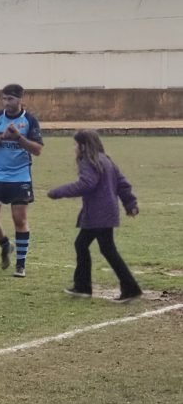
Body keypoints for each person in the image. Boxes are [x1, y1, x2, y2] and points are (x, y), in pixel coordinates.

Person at [48, 130, 141, 303]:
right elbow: (123, 184)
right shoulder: (106, 160)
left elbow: (86, 184)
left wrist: (58, 192)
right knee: (84, 245)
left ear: (83, 146)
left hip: (98, 214)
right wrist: (130, 204)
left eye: (75, 144)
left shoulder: (89, 162)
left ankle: (128, 287)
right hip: (105, 212)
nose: (74, 148)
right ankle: (84, 286)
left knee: (102, 248)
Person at [0, 83, 43, 278]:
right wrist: (2, 136)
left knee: (19, 219)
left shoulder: (30, 120)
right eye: (4, 99)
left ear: (20, 99)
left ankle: (20, 265)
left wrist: (19, 139)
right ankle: (5, 245)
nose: (6, 103)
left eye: (11, 99)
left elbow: (38, 149)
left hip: (20, 176)